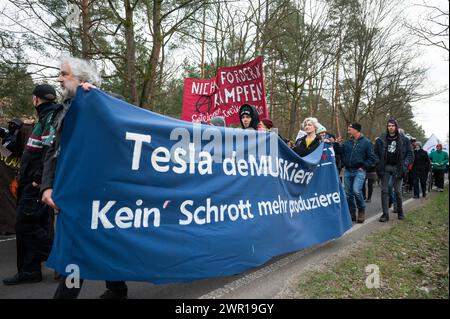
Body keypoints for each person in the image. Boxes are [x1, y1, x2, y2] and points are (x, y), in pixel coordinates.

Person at [40, 56, 128, 299]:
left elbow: (126, 114)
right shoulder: (62, 111)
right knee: (92, 241)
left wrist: (98, 97)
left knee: (80, 245)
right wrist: (47, 186)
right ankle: (118, 289)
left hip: (98, 190)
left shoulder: (98, 100)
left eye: (64, 74)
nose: (59, 79)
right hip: (72, 190)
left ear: (80, 79)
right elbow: (52, 150)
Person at [3, 84, 59, 286]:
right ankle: (30, 270)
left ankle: (62, 260)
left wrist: (39, 178)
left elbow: (49, 151)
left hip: (35, 184)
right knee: (35, 225)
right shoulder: (43, 119)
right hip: (31, 183)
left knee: (25, 225)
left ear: (35, 99)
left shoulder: (50, 119)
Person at [335, 122, 377, 223]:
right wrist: (336, 144)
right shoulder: (347, 143)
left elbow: (372, 158)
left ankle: (361, 210)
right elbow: (339, 151)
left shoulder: (366, 142)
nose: (348, 130)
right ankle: (352, 213)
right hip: (348, 171)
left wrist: (363, 166)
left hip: (359, 171)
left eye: (350, 128)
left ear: (356, 130)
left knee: (356, 191)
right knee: (348, 193)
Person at [374, 118, 414, 222]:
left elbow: (410, 154)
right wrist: (378, 163)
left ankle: (400, 212)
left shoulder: (404, 140)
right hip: (385, 167)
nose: (391, 127)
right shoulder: (381, 139)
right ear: (387, 127)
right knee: (385, 191)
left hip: (398, 167)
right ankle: (385, 214)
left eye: (393, 125)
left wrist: (404, 165)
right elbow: (375, 153)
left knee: (397, 191)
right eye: (389, 126)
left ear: (396, 127)